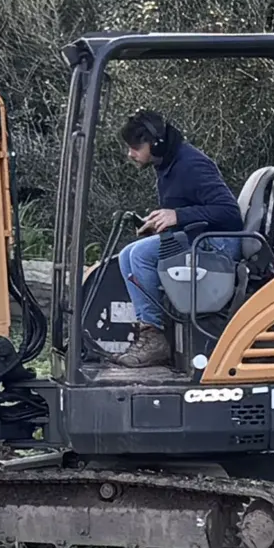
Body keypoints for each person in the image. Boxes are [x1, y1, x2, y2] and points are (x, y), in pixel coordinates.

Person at [109, 110, 243, 368]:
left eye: (135, 147)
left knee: (140, 256)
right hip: (200, 237)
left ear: (156, 143)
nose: (130, 154)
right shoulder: (167, 164)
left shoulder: (191, 164)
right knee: (128, 254)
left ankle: (155, 337)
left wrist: (178, 216)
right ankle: (151, 332)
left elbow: (230, 214)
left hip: (221, 243)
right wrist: (162, 223)